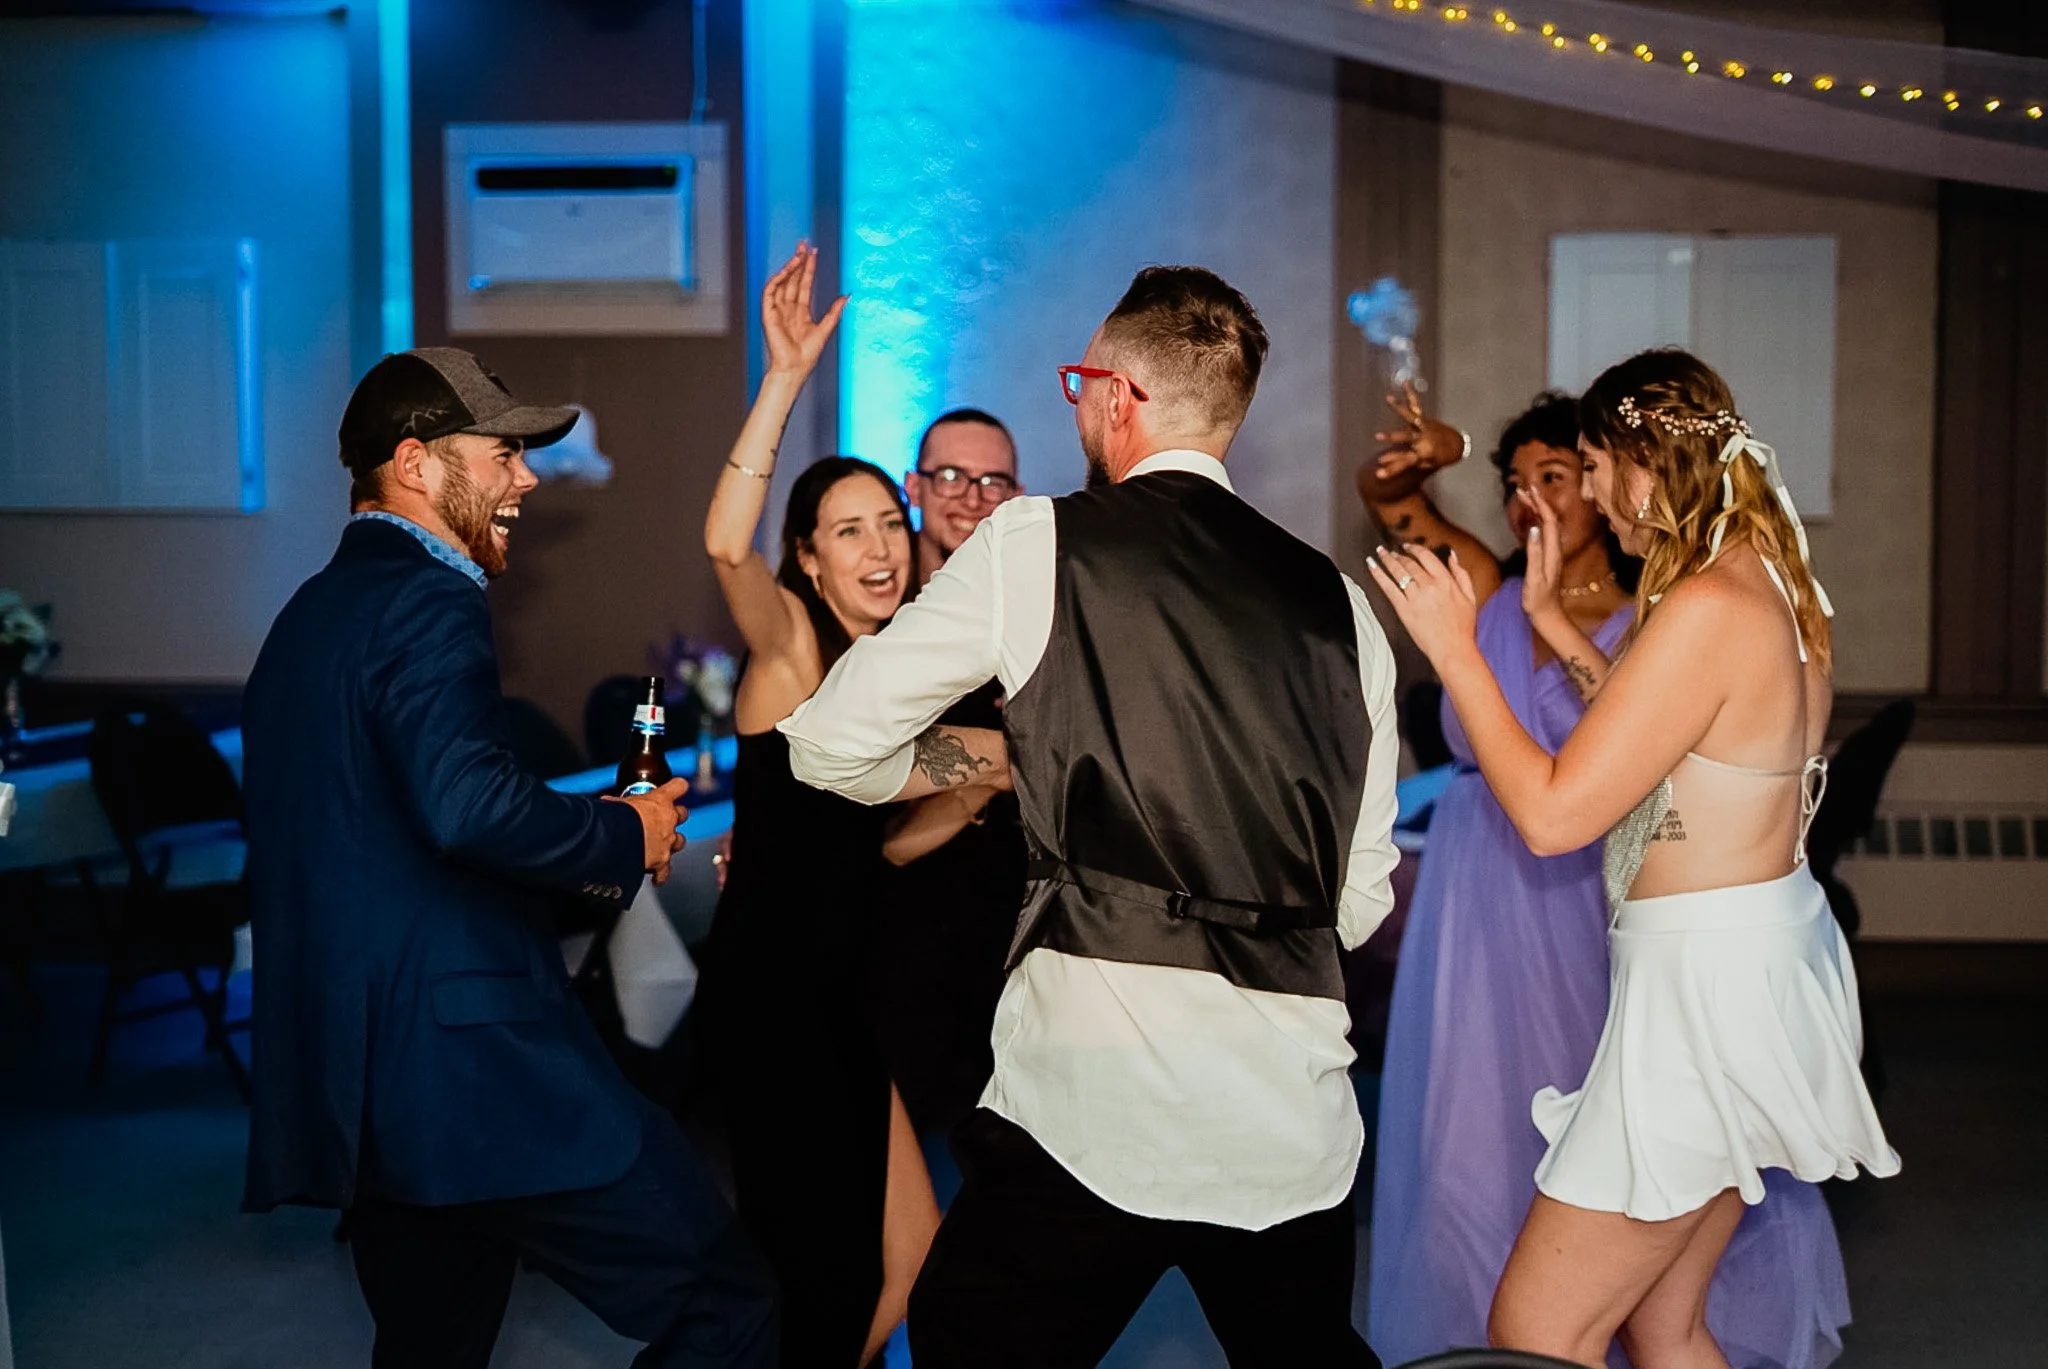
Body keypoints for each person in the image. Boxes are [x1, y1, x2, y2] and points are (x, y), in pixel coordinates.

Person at [781, 265, 1400, 1368]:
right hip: (1285, 1110)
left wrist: (993, 754)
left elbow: (830, 744)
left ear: (1115, 395)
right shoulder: (1339, 604)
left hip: (1088, 1098)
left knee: (965, 1344)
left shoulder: (1035, 544)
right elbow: (1355, 900)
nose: (1075, 406)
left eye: (1078, 383)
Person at [242, 346, 777, 1369]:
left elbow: (383, 822)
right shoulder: (430, 599)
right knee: (729, 1299)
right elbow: (462, 804)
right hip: (484, 1073)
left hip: (372, 1095)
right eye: (501, 454)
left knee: (431, 1344)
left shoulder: (305, 618)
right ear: (413, 463)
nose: (524, 477)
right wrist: (629, 832)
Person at [1369, 348, 1898, 1369]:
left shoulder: (1703, 604)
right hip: (1748, 972)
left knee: (1534, 1328)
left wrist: (1453, 651)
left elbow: (1553, 815)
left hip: (1701, 1002)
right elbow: (1661, 736)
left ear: (1646, 461)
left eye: (1596, 466)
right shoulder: (1769, 588)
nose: (1593, 495)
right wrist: (1540, 623)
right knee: (1663, 1322)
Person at [694, 242, 941, 1367]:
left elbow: (941, 790)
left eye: (889, 522)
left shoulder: (893, 678)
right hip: (779, 1004)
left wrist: (991, 776)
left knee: (914, 1248)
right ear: (807, 557)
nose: (881, 546)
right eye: (849, 530)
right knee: (819, 1267)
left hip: (847, 995)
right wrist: (783, 376)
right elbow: (719, 544)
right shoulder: (792, 650)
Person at [872, 407, 1029, 1135]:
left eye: (992, 480)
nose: (971, 495)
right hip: (890, 919)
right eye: (951, 476)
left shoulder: (1036, 612)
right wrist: (995, 766)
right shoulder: (873, 609)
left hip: (1008, 925)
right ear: (914, 485)